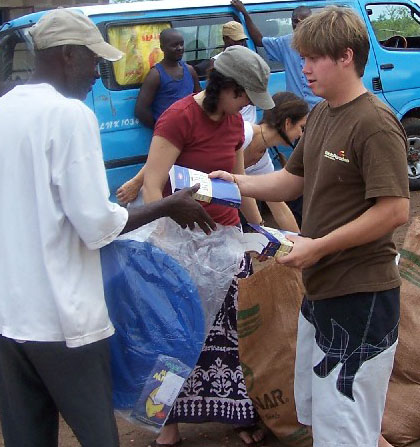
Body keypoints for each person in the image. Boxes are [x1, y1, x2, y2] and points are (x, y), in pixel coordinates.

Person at [0, 9, 216, 447]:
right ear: (65, 55)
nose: (97, 75)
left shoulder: (5, 109)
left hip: (10, 318)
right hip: (66, 321)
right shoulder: (68, 116)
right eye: (93, 61)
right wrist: (168, 205)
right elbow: (97, 225)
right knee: (100, 436)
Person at [210, 6, 409, 447]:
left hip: (361, 296)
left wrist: (318, 246)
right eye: (302, 58)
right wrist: (237, 182)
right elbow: (292, 180)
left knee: (346, 429)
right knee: (326, 417)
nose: (302, 69)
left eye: (313, 59)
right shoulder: (321, 115)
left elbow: (394, 210)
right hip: (321, 293)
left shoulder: (375, 123)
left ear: (345, 56)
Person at [136, 45, 274, 447]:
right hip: (181, 241)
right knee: (174, 334)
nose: (247, 105)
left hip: (225, 242)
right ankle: (167, 424)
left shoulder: (234, 124)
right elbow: (151, 183)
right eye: (245, 94)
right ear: (223, 86)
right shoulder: (178, 117)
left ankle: (239, 414)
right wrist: (161, 242)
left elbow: (239, 180)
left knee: (237, 333)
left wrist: (260, 230)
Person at [231, 0, 321, 111]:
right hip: (295, 110)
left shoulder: (322, 44)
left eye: (303, 21)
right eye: (295, 21)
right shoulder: (286, 42)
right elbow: (259, 40)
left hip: (318, 108)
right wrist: (245, 14)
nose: (298, 25)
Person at [243, 91, 308, 232]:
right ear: (288, 123)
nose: (301, 134)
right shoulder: (243, 133)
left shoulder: (263, 161)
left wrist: (299, 243)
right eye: (301, 127)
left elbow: (279, 208)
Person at [134, 28, 201, 129]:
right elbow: (141, 110)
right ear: (162, 48)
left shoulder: (190, 70)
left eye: (181, 44)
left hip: (190, 130)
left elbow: (200, 99)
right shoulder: (156, 75)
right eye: (174, 45)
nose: (179, 48)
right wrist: (161, 129)